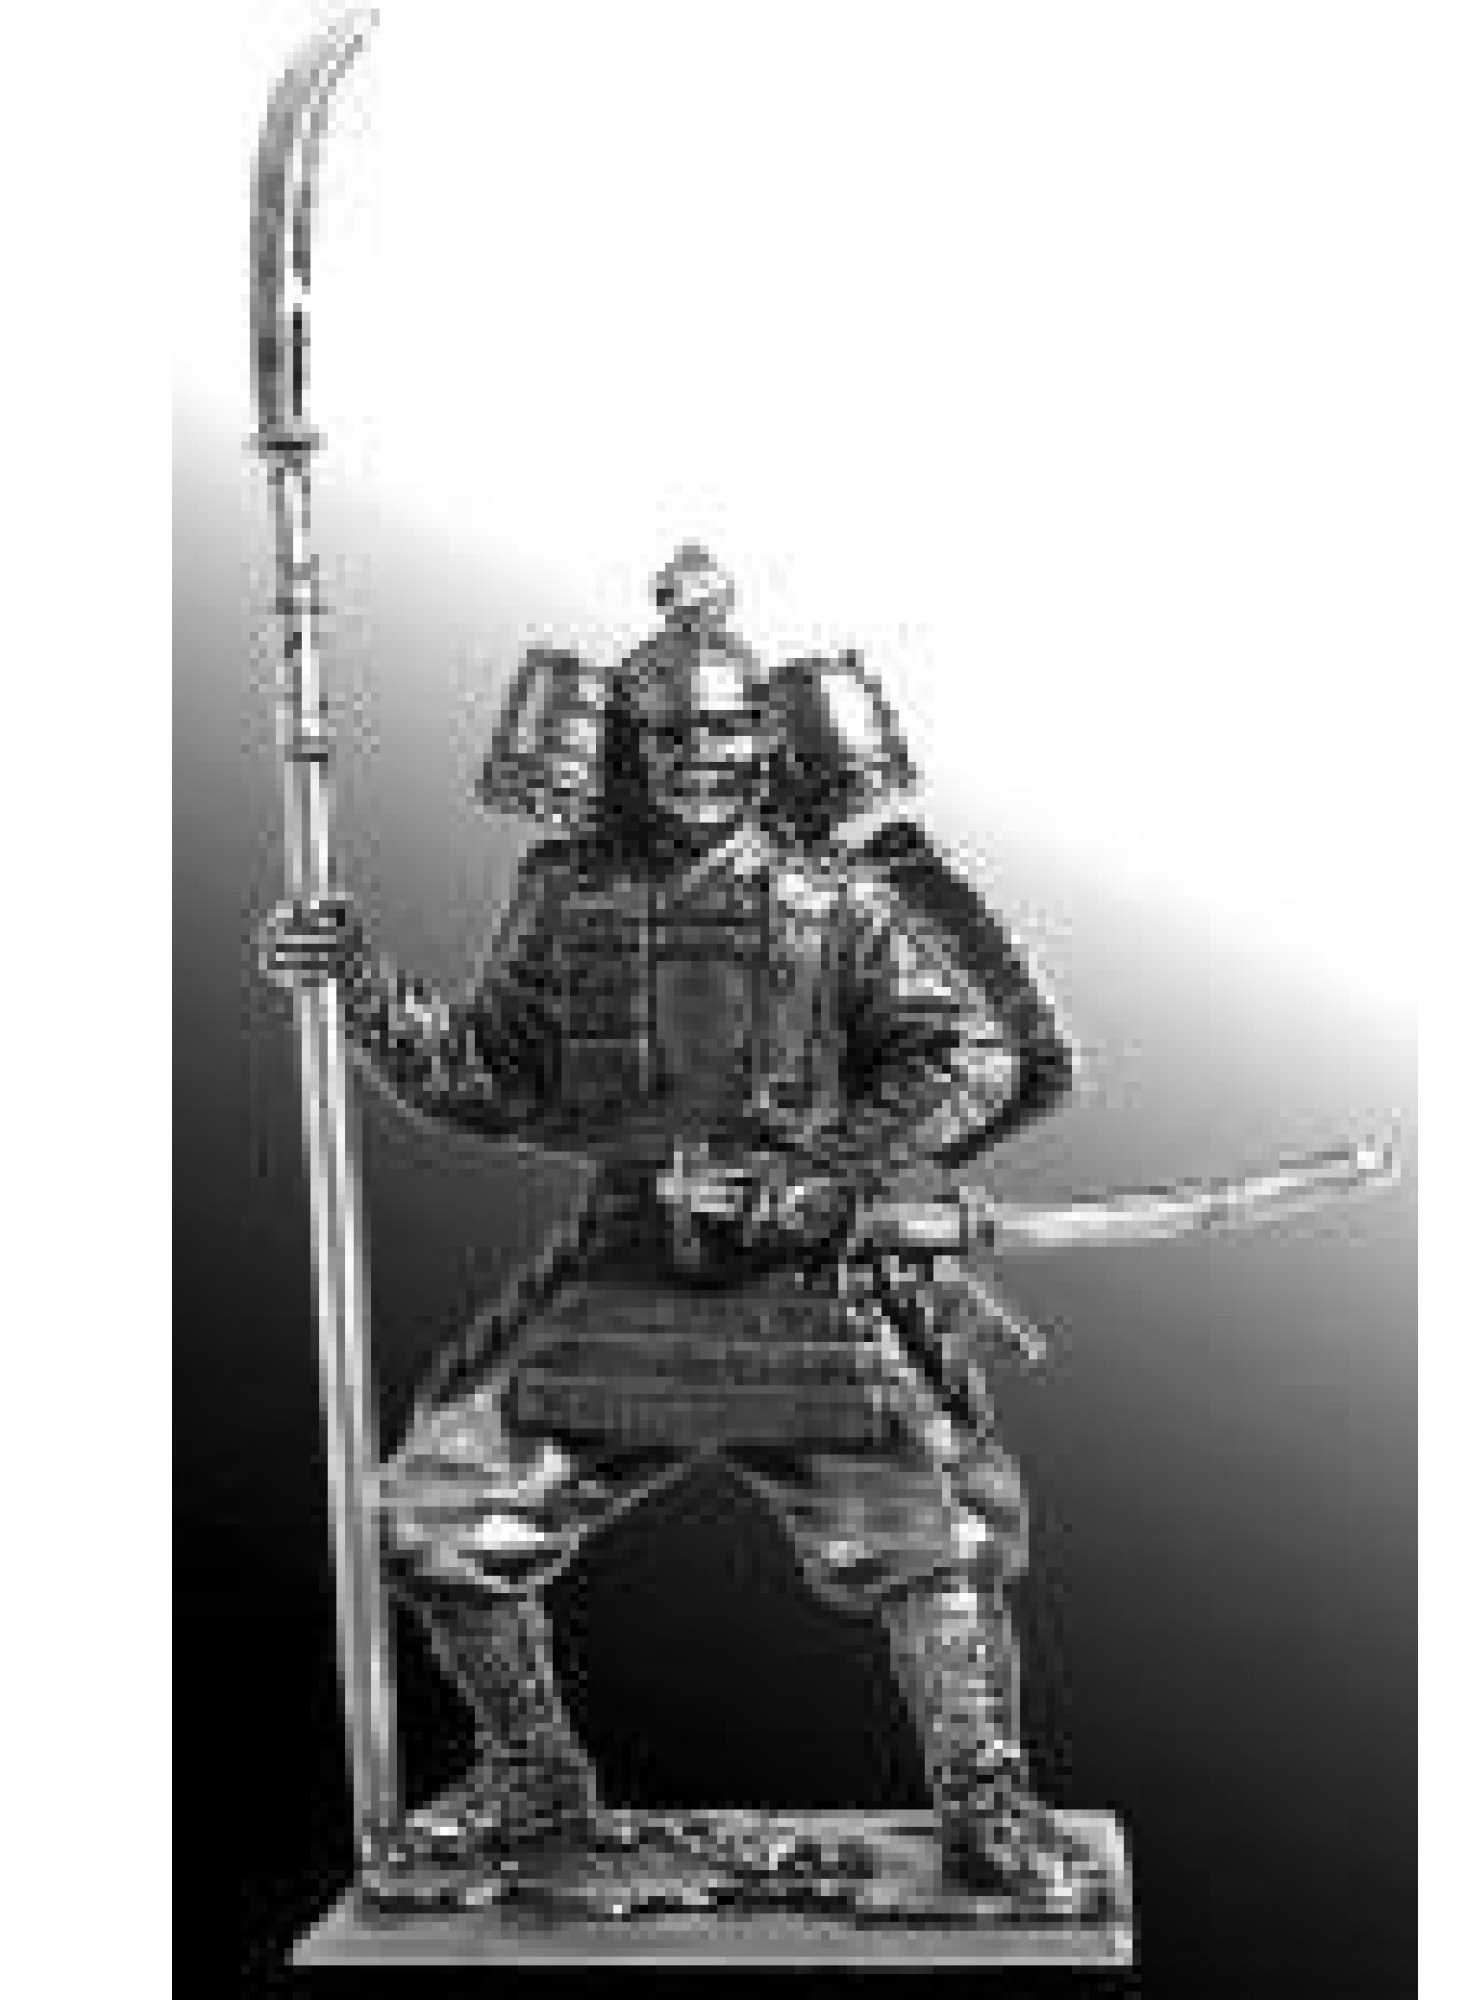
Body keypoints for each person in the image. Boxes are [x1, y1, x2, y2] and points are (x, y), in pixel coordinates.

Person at [261, 547, 1086, 1900]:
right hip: (627, 1274)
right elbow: (491, 1078)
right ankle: (535, 1775)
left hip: (805, 1289)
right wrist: (358, 985)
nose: (703, 758)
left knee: (934, 1539)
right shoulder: (569, 892)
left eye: (728, 730)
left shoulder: (840, 901)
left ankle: (986, 1800)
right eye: (673, 736)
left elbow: (974, 1057)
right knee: (438, 1516)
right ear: (628, 749)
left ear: (767, 738)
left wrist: (827, 1170)